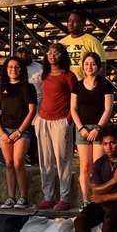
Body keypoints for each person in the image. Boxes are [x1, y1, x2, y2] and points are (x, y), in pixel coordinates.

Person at [69, 52, 115, 205]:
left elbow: (108, 109)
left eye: (93, 64)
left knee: (98, 165)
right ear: (82, 66)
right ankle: (85, 199)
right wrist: (81, 128)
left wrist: (98, 129)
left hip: (99, 128)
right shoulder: (77, 85)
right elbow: (73, 109)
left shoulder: (105, 85)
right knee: (85, 166)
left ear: (99, 67)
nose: (89, 67)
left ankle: (98, 198)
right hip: (82, 128)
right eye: (87, 64)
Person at [0, 55, 38, 208]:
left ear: (21, 69)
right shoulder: (0, 89)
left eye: (17, 67)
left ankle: (23, 197)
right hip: (4, 130)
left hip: (21, 130)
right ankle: (10, 196)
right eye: (10, 67)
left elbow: (32, 111)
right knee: (9, 163)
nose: (13, 70)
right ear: (5, 69)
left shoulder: (28, 87)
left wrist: (19, 132)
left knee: (18, 163)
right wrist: (2, 132)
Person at [34, 42, 76, 211]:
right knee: (45, 161)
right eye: (49, 52)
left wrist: (68, 120)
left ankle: (64, 198)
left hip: (61, 121)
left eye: (56, 52)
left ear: (62, 55)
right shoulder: (43, 75)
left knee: (63, 161)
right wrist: (37, 118)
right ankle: (48, 197)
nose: (52, 55)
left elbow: (75, 100)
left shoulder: (69, 76)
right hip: (43, 120)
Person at [60, 8, 105, 80]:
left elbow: (101, 66)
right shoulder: (62, 42)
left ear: (83, 23)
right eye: (69, 21)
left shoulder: (92, 41)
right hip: (66, 85)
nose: (71, 24)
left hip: (84, 86)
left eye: (75, 21)